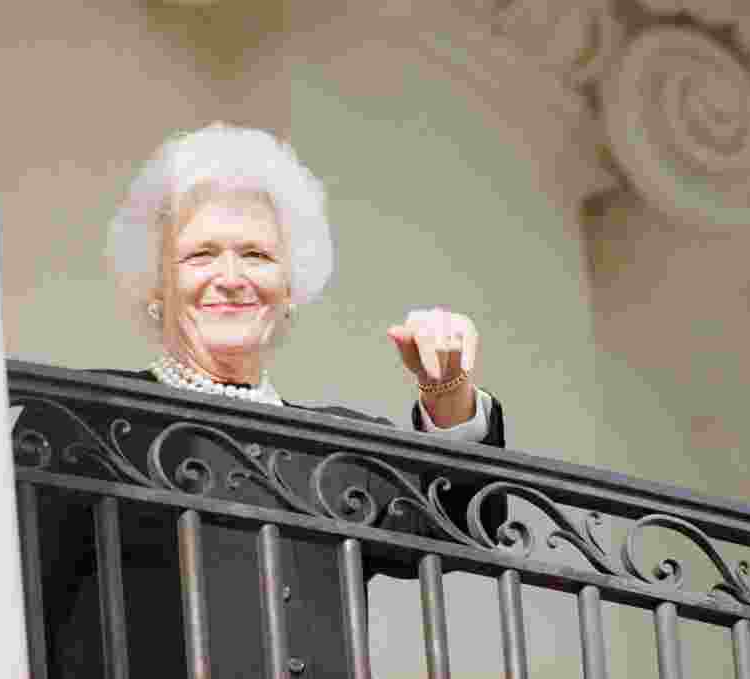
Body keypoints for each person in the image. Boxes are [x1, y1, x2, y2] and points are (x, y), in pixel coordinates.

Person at [41, 123, 507, 678]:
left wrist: (447, 391)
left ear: (289, 289)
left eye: (257, 255)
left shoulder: (337, 448)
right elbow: (25, 599)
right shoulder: (91, 416)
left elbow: (459, 527)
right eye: (200, 256)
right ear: (156, 286)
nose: (231, 278)